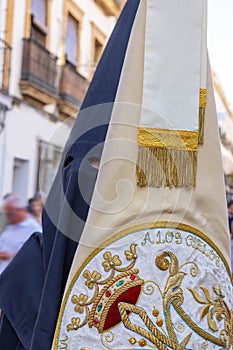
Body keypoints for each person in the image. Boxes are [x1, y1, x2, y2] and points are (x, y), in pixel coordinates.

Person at [0, 195, 42, 274]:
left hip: (18, 277)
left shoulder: (34, 228)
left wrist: (9, 256)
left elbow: (35, 256)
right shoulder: (10, 227)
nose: (7, 218)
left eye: (9, 215)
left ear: (20, 210)